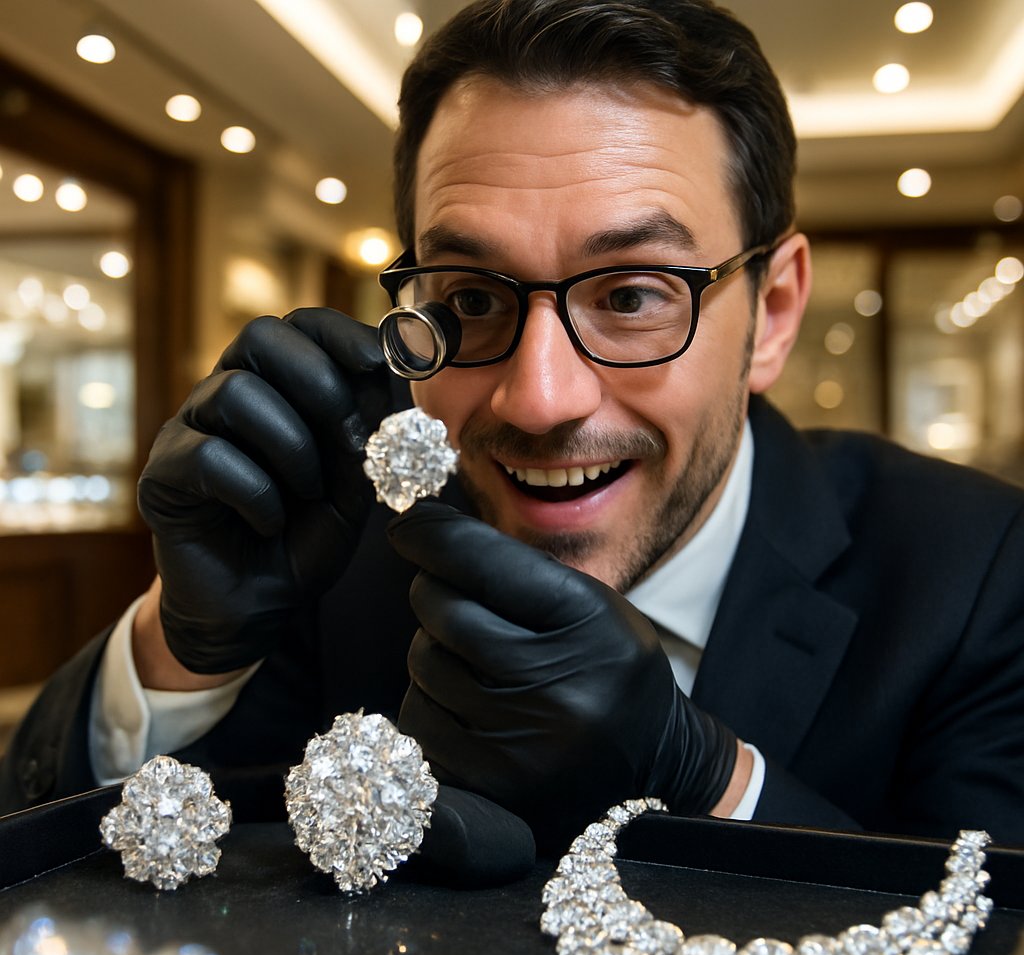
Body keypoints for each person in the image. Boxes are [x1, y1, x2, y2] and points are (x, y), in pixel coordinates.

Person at [2, 0, 1023, 854]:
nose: (539, 400)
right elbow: (90, 867)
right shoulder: (349, 548)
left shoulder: (974, 575)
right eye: (474, 297)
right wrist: (183, 646)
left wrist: (707, 780)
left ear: (775, 312)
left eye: (630, 295)